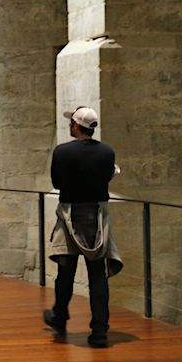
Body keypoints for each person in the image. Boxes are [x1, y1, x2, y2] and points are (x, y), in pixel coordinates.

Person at [44, 106, 123, 348]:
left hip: (71, 214)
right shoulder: (107, 152)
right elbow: (107, 177)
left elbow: (56, 182)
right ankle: (99, 332)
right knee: (98, 275)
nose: (70, 126)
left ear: (77, 126)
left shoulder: (62, 151)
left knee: (65, 271)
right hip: (97, 217)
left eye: (71, 123)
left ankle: (59, 315)